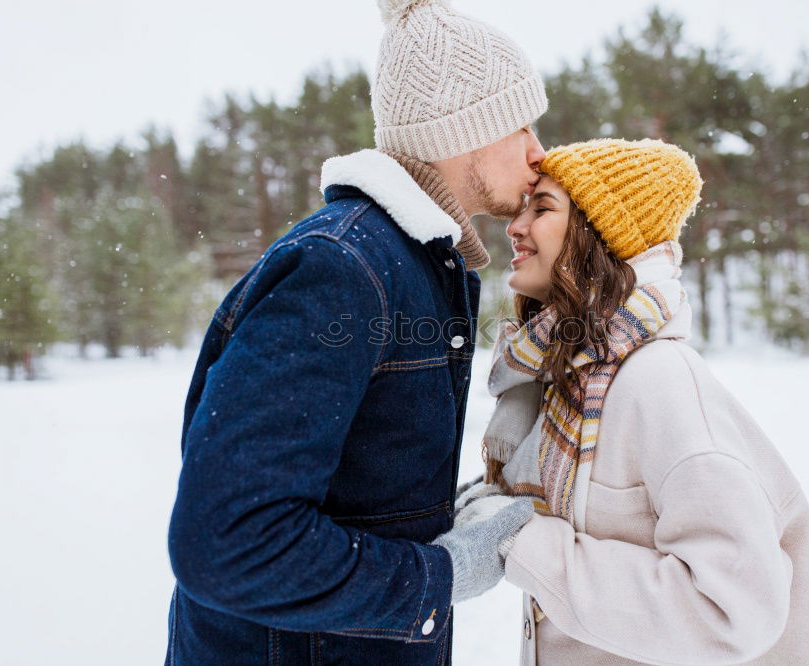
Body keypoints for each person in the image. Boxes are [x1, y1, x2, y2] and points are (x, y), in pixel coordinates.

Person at [164, 0, 547, 663]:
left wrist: (445, 517)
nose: (540, 153)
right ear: (468, 128)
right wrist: (442, 575)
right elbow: (228, 541)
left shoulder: (412, 264)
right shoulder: (344, 269)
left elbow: (349, 485)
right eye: (523, 126)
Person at [462, 138, 809, 664]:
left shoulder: (657, 383)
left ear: (600, 235)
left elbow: (730, 611)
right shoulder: (572, 383)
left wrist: (522, 541)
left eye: (541, 208)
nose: (515, 227)